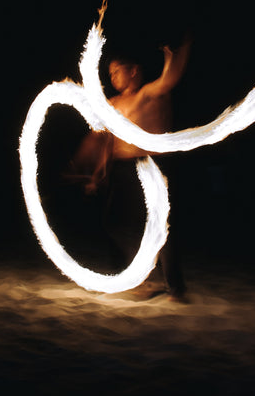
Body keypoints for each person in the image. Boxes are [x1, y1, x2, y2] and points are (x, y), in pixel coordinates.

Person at [69, 35, 192, 300]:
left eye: (116, 71)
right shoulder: (112, 104)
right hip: (122, 169)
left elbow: (170, 78)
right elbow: (105, 142)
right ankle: (139, 274)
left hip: (152, 166)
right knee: (114, 223)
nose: (112, 77)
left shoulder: (148, 94)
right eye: (110, 73)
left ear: (133, 71)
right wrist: (96, 174)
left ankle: (176, 287)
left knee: (162, 227)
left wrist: (176, 53)